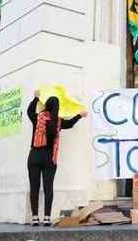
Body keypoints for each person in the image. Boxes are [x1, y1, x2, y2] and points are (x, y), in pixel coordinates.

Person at [27, 90, 87, 226]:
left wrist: (36, 99)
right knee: (49, 188)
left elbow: (29, 111)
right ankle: (47, 217)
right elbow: (70, 123)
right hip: (50, 158)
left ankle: (35, 217)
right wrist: (80, 115)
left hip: (34, 156)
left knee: (34, 187)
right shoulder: (58, 122)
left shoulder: (38, 118)